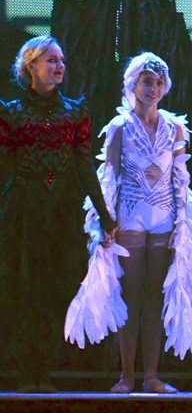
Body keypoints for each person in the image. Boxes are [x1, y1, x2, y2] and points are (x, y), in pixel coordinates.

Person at [64, 52, 192, 393]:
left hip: (163, 219)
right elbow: (108, 177)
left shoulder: (175, 128)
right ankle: (126, 375)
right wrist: (105, 221)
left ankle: (152, 375)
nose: (153, 88)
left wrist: (183, 224)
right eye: (147, 82)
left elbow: (181, 179)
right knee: (130, 295)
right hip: (130, 217)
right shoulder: (120, 127)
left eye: (159, 83)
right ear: (133, 84)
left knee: (156, 297)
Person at [0, 35, 115, 392]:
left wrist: (105, 214)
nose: (59, 66)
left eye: (61, 60)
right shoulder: (11, 113)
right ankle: (25, 371)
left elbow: (84, 165)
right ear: (31, 65)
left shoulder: (75, 111)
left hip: (61, 208)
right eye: (51, 60)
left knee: (53, 287)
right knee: (23, 286)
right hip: (25, 207)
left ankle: (44, 369)